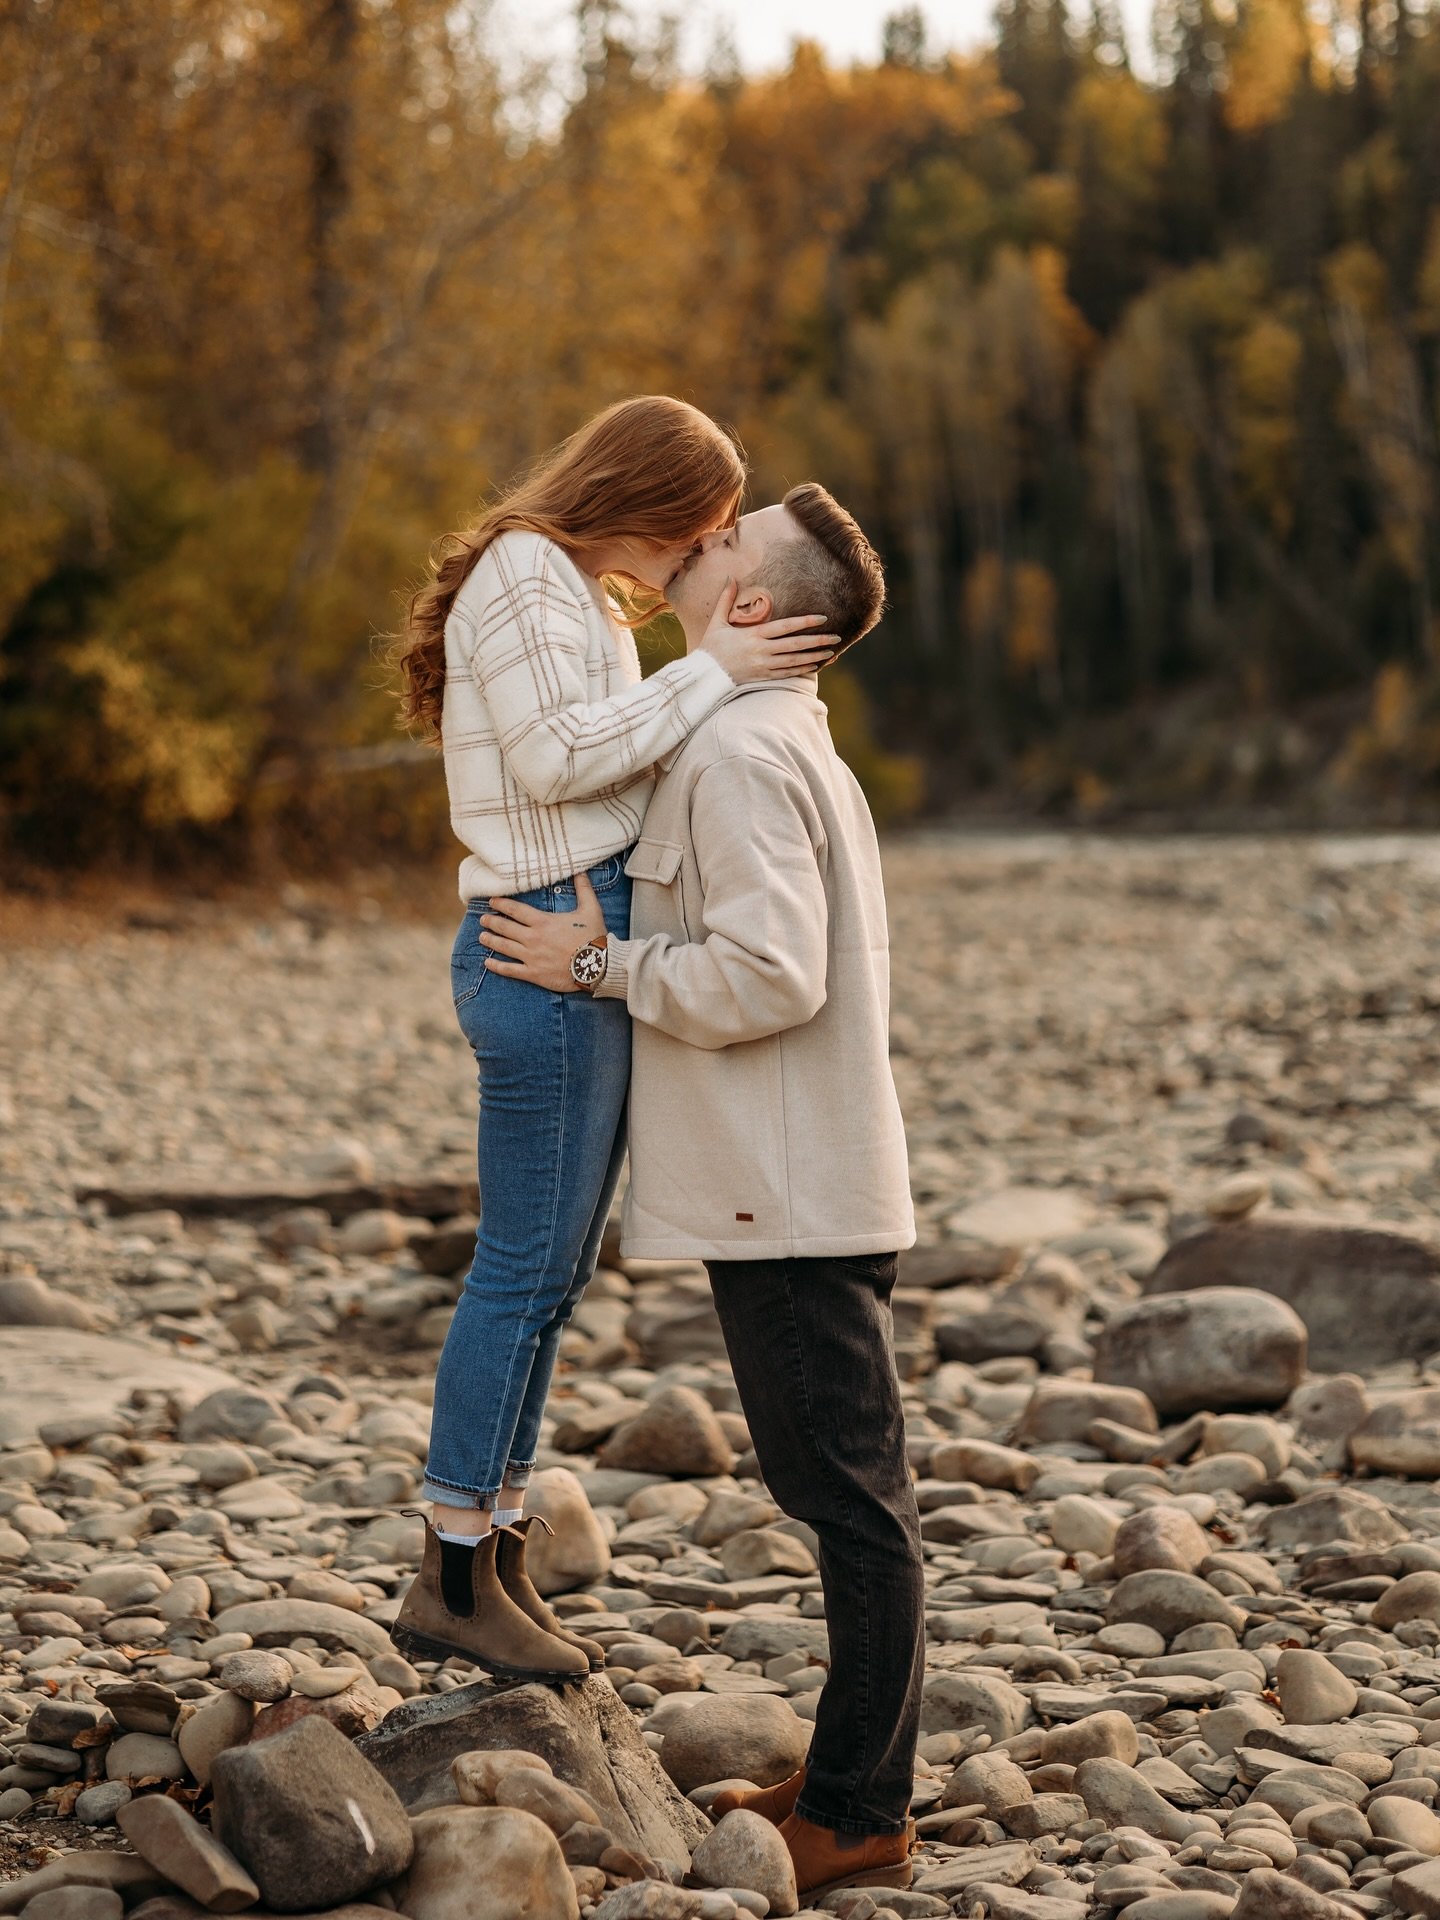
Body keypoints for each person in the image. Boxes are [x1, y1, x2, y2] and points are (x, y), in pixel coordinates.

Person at [481, 485, 923, 1902]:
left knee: (848, 1503)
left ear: (748, 607)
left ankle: (859, 1812)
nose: (698, 535)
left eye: (725, 538)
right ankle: (855, 1777)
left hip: (789, 1198)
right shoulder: (759, 734)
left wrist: (594, 968)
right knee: (847, 1494)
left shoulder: (737, 749)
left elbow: (771, 976)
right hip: (800, 1187)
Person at [388, 399, 838, 1683]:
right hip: (539, 942)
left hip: (571, 940)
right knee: (523, 1271)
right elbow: (551, 759)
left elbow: (608, 764)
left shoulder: (573, 590)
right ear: (639, 492)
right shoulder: (528, 573)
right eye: (698, 522)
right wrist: (717, 675)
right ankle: (452, 1567)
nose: (703, 550)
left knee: (555, 1274)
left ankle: (497, 1544)